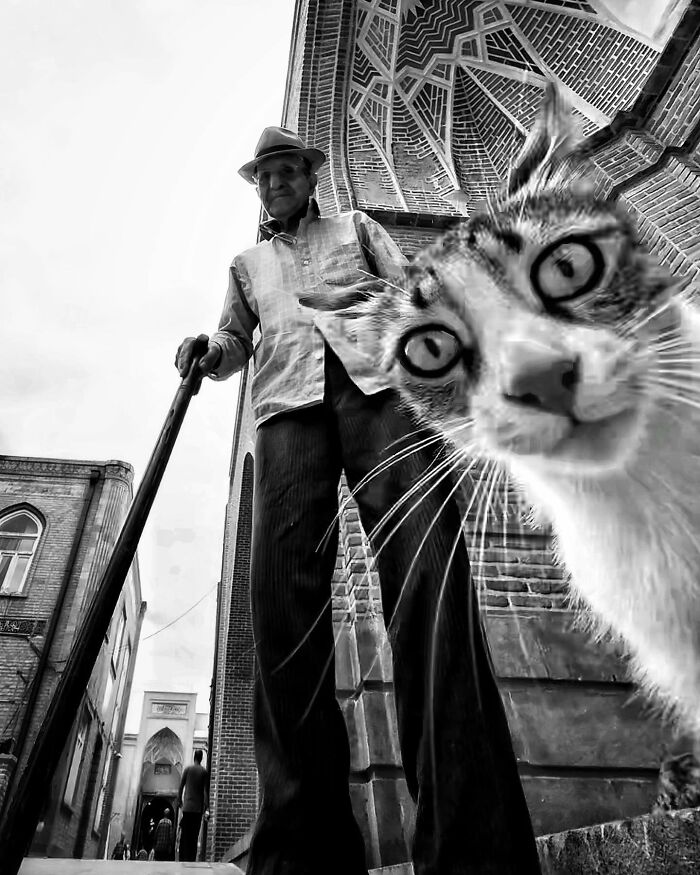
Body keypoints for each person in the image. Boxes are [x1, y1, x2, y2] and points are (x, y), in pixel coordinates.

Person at [176, 127, 540, 875]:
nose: (276, 183)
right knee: (281, 605)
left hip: (380, 392)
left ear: (310, 178)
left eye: (287, 171)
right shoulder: (247, 265)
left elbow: (411, 288)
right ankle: (303, 849)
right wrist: (207, 355)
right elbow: (231, 339)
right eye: (265, 176)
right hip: (286, 412)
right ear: (257, 189)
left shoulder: (356, 228)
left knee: (428, 579)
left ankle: (475, 847)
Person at [177, 749, 209, 861]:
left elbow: (181, 786)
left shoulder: (187, 769)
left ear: (194, 757)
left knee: (185, 834)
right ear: (201, 758)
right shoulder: (204, 772)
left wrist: (179, 801)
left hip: (187, 807)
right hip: (197, 809)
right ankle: (191, 858)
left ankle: (182, 857)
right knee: (194, 836)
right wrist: (206, 807)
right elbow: (205, 791)